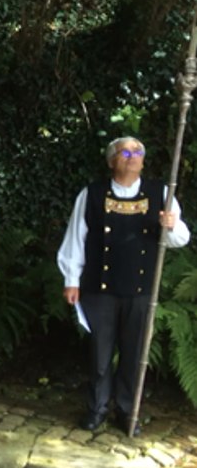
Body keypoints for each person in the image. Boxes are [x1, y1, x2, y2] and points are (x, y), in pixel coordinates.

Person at [57, 136, 189, 435]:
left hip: (141, 290)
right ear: (111, 160)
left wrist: (171, 224)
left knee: (134, 353)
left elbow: (181, 239)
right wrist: (71, 280)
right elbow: (75, 237)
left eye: (137, 151)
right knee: (100, 353)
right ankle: (97, 408)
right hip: (99, 288)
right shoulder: (91, 194)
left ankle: (128, 411)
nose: (132, 156)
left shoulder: (161, 193)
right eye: (125, 152)